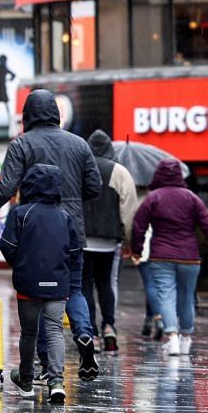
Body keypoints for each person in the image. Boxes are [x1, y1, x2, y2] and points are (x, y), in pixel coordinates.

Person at [0, 89, 103, 381]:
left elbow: (6, 189)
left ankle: (45, 363)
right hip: (72, 230)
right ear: (56, 112)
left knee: (39, 292)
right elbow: (94, 187)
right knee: (74, 290)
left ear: (27, 115)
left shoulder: (22, 145)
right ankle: (84, 334)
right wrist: (69, 197)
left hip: (34, 232)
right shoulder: (79, 144)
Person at [0, 163, 82, 406]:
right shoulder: (65, 215)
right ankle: (56, 382)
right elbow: (75, 251)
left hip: (28, 283)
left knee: (29, 332)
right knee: (55, 330)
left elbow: (7, 246)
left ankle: (26, 380)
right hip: (58, 283)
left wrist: (22, 264)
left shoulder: (20, 212)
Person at [130, 159, 208, 357]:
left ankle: (172, 339)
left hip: (161, 256)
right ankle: (186, 340)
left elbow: (139, 226)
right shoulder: (192, 198)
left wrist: (136, 250)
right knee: (187, 298)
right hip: (190, 257)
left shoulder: (153, 198)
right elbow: (207, 224)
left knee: (166, 296)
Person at [82, 130, 139, 353]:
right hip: (107, 240)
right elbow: (128, 209)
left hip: (82, 238)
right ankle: (109, 326)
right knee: (105, 283)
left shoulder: (80, 168)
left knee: (85, 285)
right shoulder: (120, 172)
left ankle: (91, 333)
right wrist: (128, 239)